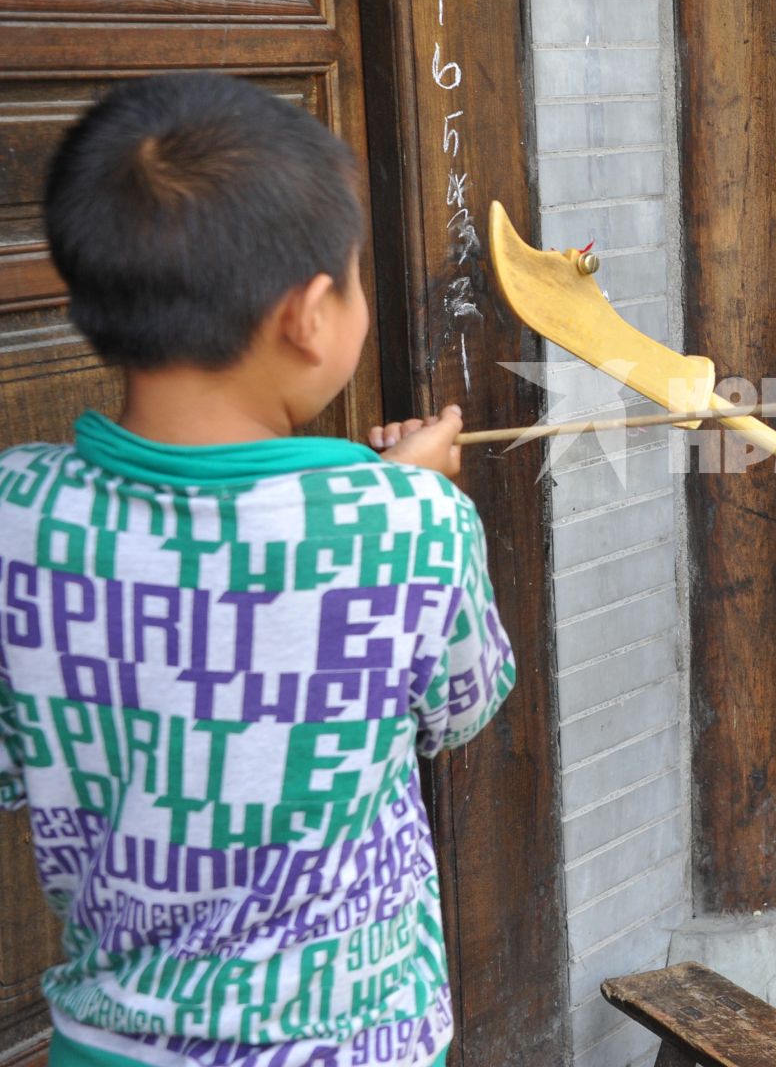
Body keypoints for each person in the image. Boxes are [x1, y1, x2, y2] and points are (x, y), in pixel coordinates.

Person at [0, 74, 511, 1067]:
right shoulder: (412, 524)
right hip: (351, 1042)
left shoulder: (17, 512)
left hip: (108, 1039)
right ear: (308, 315)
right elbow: (460, 703)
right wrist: (400, 496)